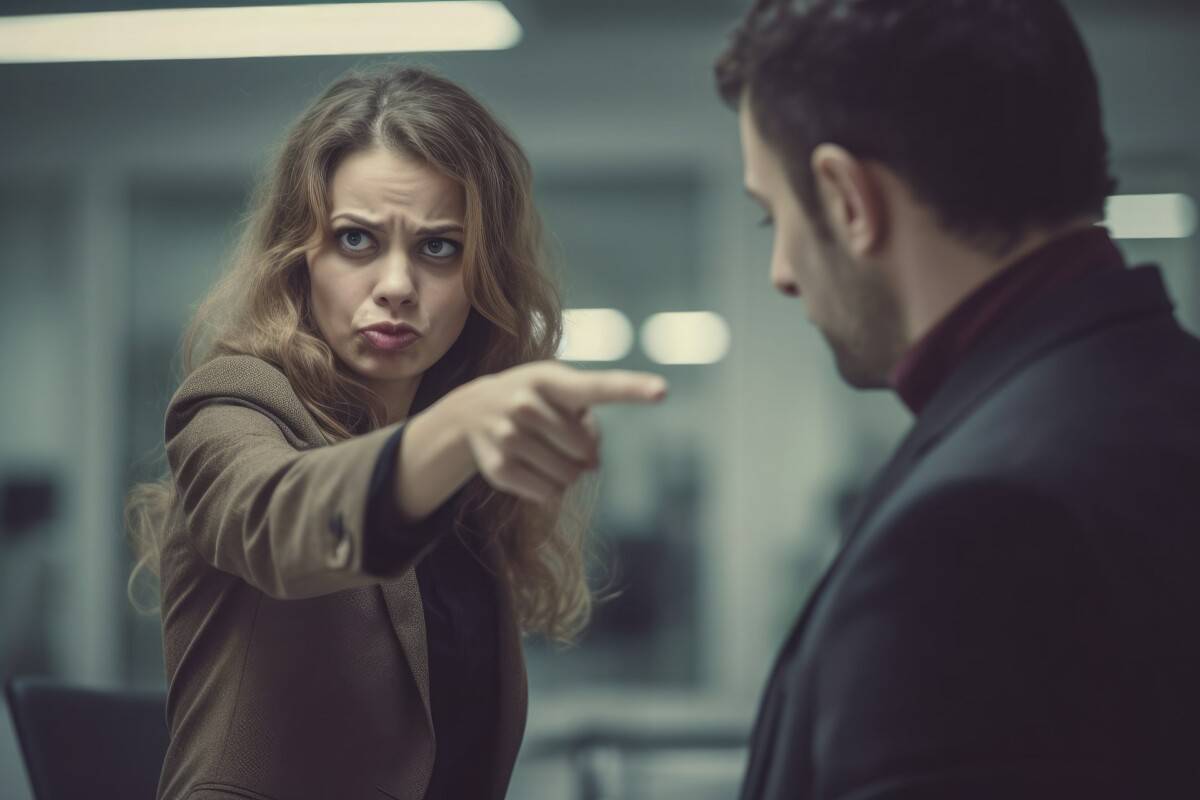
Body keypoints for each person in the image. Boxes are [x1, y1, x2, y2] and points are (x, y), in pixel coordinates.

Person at [126, 64, 667, 800]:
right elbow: (283, 515)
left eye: (438, 247)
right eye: (355, 240)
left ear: (483, 275)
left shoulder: (466, 481)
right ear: (300, 256)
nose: (397, 284)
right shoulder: (235, 401)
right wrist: (452, 433)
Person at [716, 1, 1200, 797]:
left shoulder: (974, 530)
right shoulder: (1163, 397)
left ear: (846, 199)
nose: (781, 272)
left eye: (775, 217)